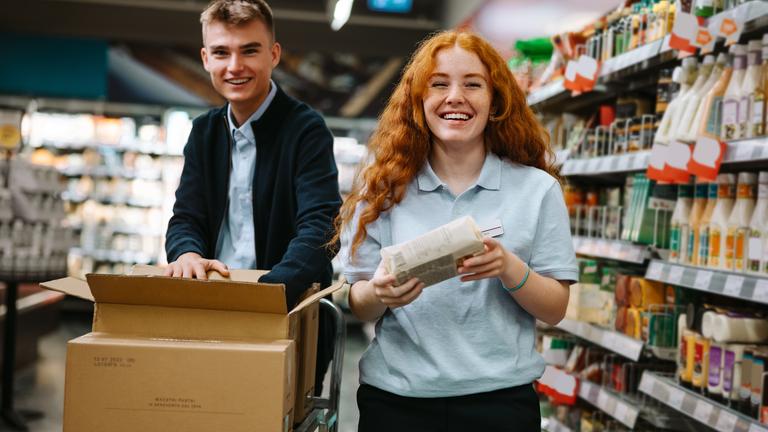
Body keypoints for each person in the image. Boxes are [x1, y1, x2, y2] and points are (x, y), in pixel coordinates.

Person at [335, 30, 578, 431]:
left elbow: (555, 309)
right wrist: (379, 292)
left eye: (473, 84)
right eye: (439, 84)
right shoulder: (381, 189)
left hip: (499, 404)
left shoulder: (537, 190)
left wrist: (508, 267)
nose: (455, 97)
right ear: (418, 99)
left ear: (495, 99)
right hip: (398, 401)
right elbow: (356, 299)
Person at [164, 0, 341, 392]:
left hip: (286, 315)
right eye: (222, 52)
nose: (235, 66)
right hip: (213, 313)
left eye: (250, 50)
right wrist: (186, 254)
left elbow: (321, 227)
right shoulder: (204, 133)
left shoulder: (306, 130)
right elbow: (185, 218)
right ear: (205, 58)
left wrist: (267, 296)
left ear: (273, 54)